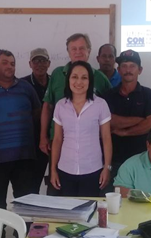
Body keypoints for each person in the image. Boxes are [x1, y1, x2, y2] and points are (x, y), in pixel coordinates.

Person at [39, 33, 111, 194]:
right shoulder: (58, 84)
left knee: (89, 209)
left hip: (92, 158)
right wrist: (43, 137)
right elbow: (47, 107)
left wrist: (107, 166)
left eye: (82, 48)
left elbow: (106, 135)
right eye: (74, 49)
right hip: (63, 157)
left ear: (89, 51)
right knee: (61, 205)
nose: (79, 82)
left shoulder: (100, 88)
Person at [0, 50, 41, 218]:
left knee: (26, 201)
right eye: (5, 62)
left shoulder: (26, 88)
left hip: (24, 157)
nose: (9, 66)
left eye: (12, 63)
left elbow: (37, 113)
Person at [50, 61, 112, 197]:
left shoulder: (100, 105)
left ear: (90, 81)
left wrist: (107, 167)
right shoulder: (61, 105)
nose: (79, 82)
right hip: (65, 169)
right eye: (74, 77)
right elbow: (58, 139)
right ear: (68, 80)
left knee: (89, 213)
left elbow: (106, 138)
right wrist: (53, 169)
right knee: (68, 214)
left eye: (84, 77)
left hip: (92, 169)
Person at [103, 50, 151, 190]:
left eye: (132, 66)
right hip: (114, 161)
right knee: (114, 204)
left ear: (140, 70)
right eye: (124, 66)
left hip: (143, 161)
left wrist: (125, 132)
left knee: (143, 204)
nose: (128, 70)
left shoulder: (148, 94)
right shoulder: (108, 95)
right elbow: (111, 121)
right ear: (119, 69)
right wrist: (140, 119)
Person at [23, 48, 51, 194]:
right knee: (31, 187)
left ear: (49, 63)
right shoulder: (22, 84)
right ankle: (31, 218)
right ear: (30, 64)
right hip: (32, 144)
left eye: (43, 60)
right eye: (36, 61)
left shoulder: (56, 82)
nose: (39, 64)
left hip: (55, 141)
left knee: (55, 184)